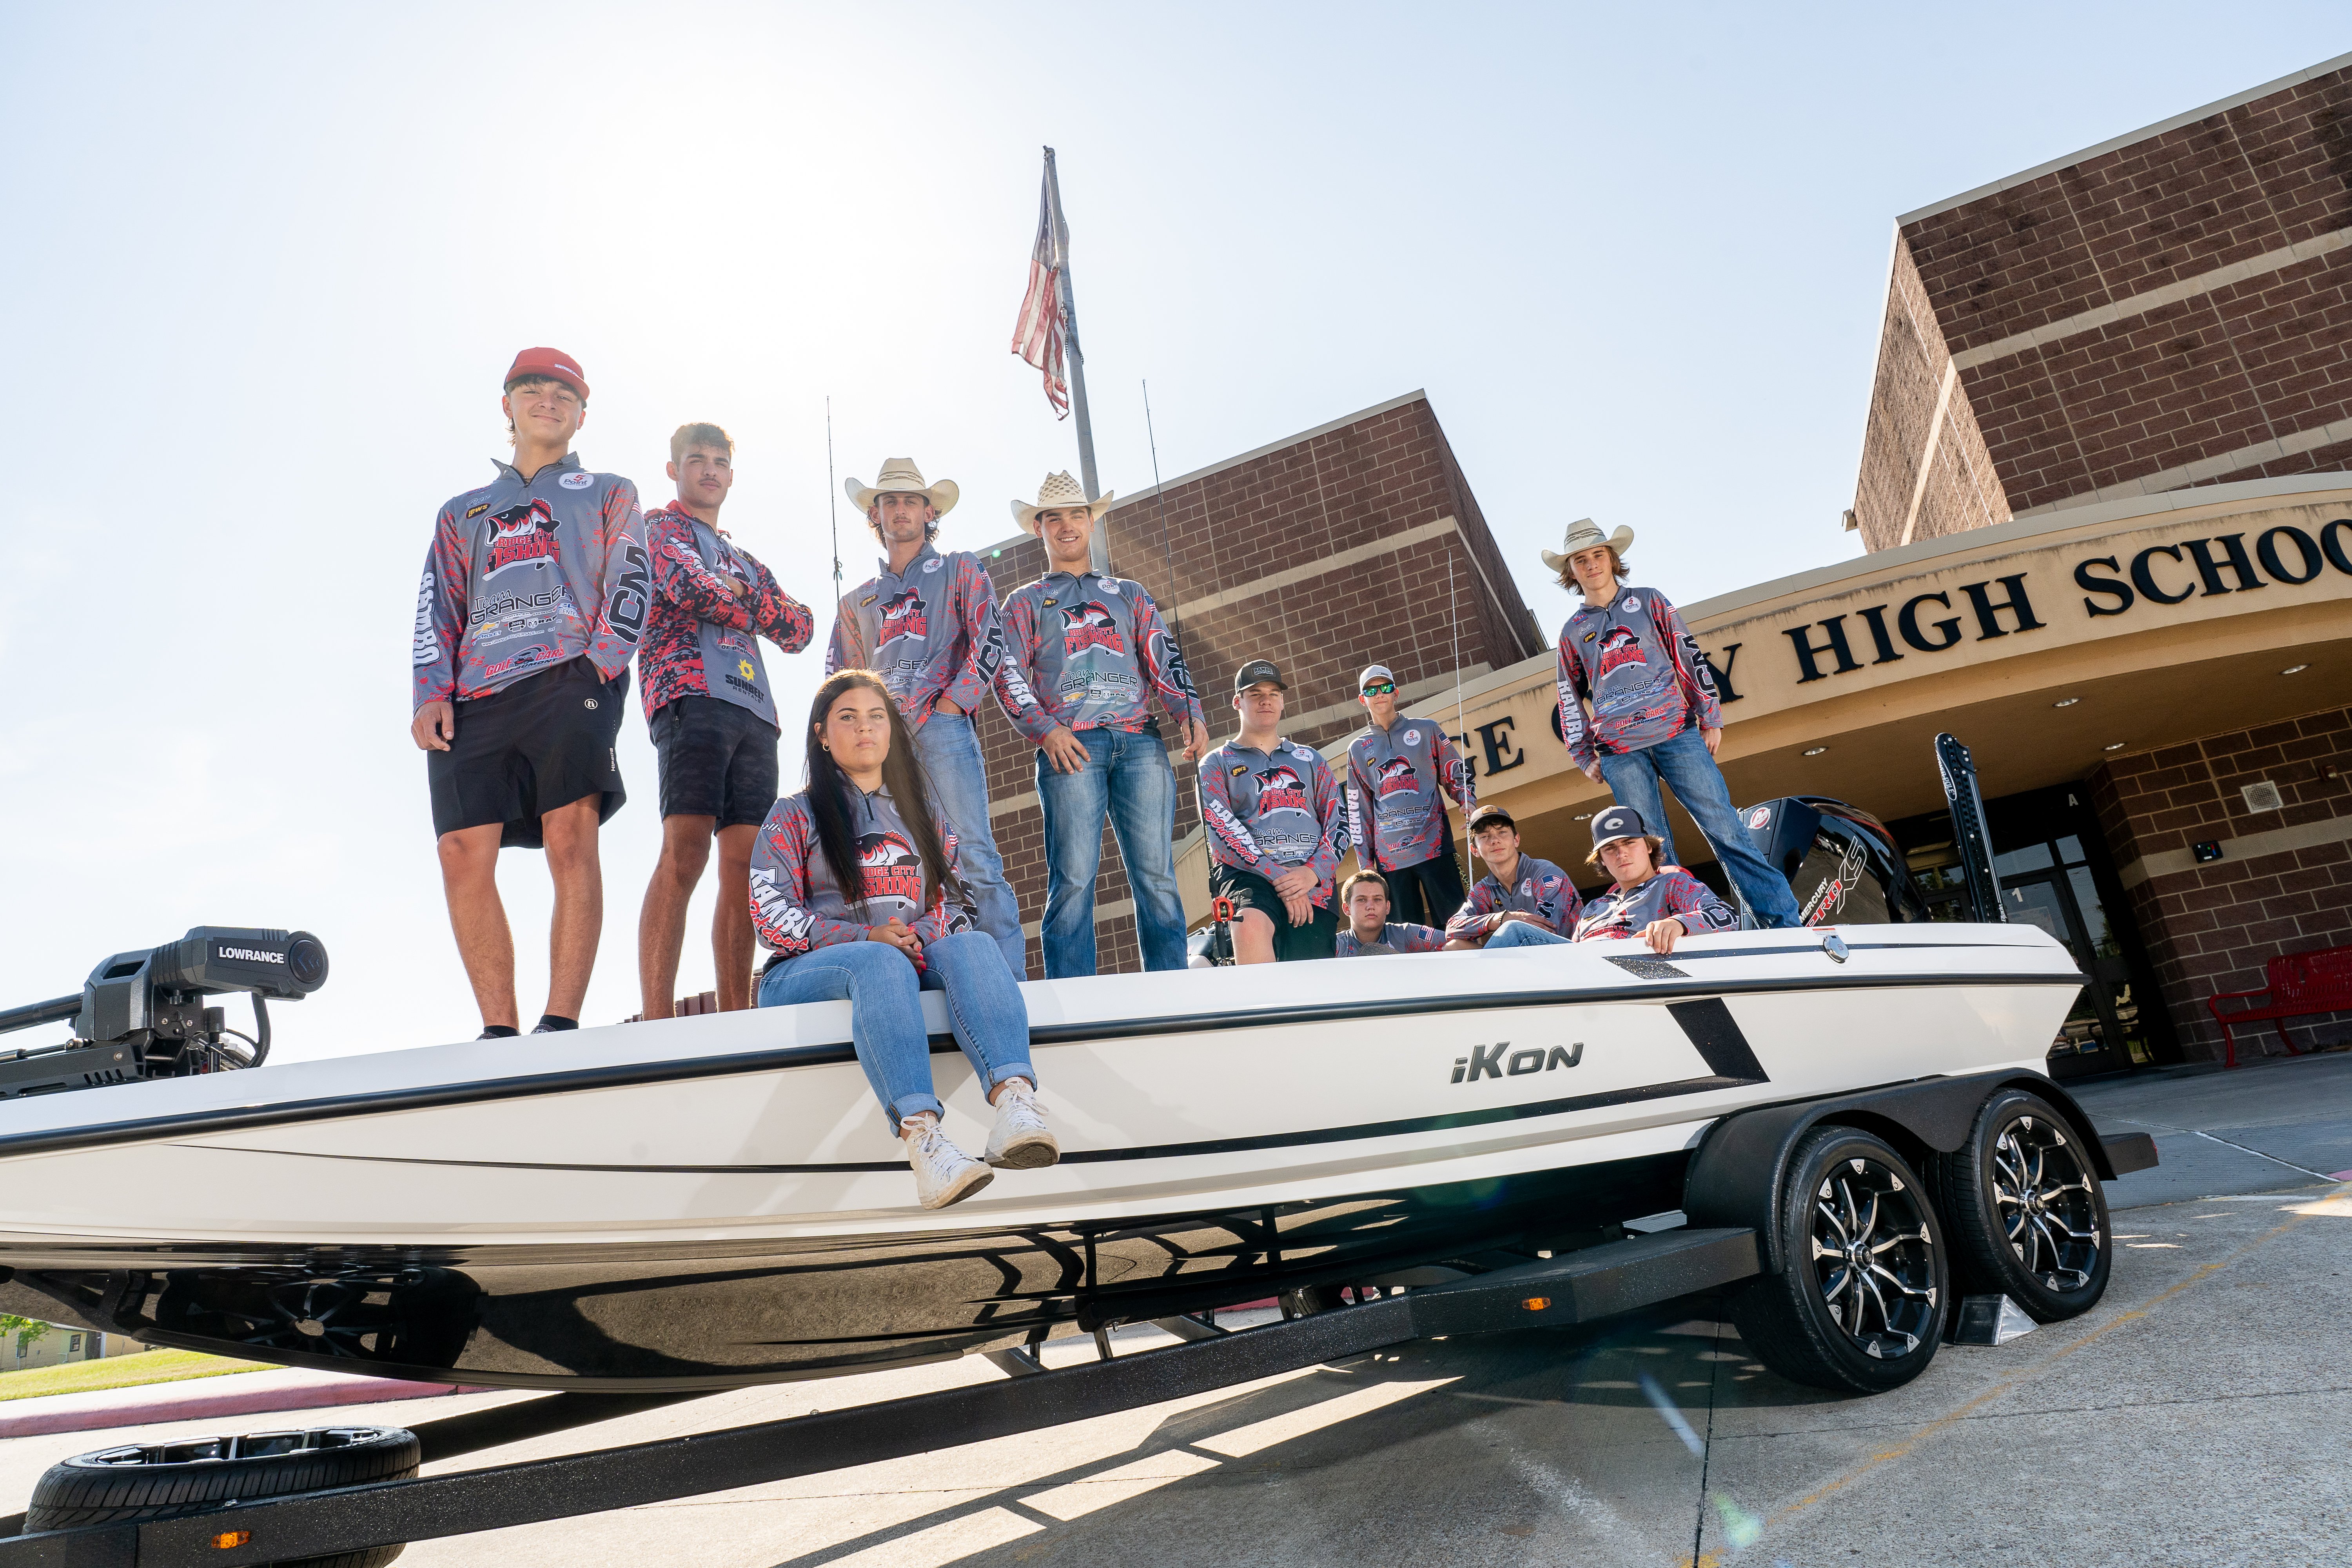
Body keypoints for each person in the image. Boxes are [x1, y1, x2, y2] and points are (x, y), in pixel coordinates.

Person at [750, 670, 1054, 1210]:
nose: (864, 728)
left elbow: (957, 903)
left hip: (905, 957)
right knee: (877, 962)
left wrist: (914, 936)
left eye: (876, 716)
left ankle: (1015, 1106)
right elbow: (770, 916)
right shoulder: (792, 815)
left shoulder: (925, 815)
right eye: (848, 717)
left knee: (976, 945)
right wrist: (868, 935)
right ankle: (926, 1144)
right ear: (822, 734)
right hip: (802, 974)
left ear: (891, 731)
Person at [411, 347, 649, 1038]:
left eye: (565, 392)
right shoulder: (462, 510)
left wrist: (601, 663)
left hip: (569, 677)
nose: (548, 399)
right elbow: (438, 604)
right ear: (508, 403)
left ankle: (560, 1020)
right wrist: (432, 691)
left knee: (569, 835)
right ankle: (498, 1031)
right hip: (476, 690)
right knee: (460, 851)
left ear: (581, 414)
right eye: (533, 388)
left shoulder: (609, 491)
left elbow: (632, 579)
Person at [828, 459, 1040, 978]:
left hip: (942, 729)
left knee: (974, 858)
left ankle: (1010, 985)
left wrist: (953, 704)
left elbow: (990, 637)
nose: (899, 511)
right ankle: (930, 980)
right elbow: (839, 677)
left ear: (929, 512)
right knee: (899, 865)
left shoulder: (960, 568)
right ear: (875, 515)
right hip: (879, 746)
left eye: (909, 501)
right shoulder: (857, 601)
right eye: (889, 502)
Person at [634, 423, 814, 1020]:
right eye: (696, 460)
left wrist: (741, 591)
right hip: (690, 696)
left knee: (743, 866)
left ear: (731, 476)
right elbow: (686, 585)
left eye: (719, 462)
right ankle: (658, 1017)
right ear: (674, 470)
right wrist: (751, 602)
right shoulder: (659, 529)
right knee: (685, 852)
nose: (708, 471)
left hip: (756, 712)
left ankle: (737, 1016)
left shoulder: (744, 558)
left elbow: (801, 629)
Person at [998, 472, 1210, 977]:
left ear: (1092, 521)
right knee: (1072, 882)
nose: (1067, 526)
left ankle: (1171, 994)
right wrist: (1045, 730)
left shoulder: (1129, 593)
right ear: (1038, 527)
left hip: (1140, 743)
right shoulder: (1024, 601)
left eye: (1076, 514)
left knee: (1157, 877)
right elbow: (1004, 671)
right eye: (1054, 517)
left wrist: (1190, 712)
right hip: (1072, 748)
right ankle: (1072, 1004)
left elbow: (1162, 653)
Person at [1545, 517, 1802, 929]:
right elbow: (1567, 696)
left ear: (1612, 559)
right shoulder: (1573, 631)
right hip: (1619, 753)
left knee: (1728, 831)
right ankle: (1684, 934)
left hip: (1677, 735)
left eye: (1598, 555)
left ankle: (1786, 927)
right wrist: (1583, 755)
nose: (1591, 564)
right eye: (1580, 560)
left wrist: (1709, 715)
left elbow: (1688, 654)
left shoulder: (1649, 601)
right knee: (1651, 854)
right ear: (1570, 571)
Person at [1198, 661, 1346, 963]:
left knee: (1312, 984)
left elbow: (1340, 824)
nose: (1266, 700)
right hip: (1249, 877)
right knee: (1249, 925)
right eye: (1255, 694)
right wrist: (1280, 877)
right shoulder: (1216, 763)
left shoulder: (1311, 760)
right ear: (1238, 702)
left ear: (1282, 701)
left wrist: (1310, 873)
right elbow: (1223, 832)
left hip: (1311, 882)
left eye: (1273, 693)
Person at [1343, 664, 1475, 930]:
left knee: (1457, 927)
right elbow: (1359, 811)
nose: (1380, 694)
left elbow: (1454, 770)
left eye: (1386, 688)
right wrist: (1367, 866)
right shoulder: (1358, 749)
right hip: (1391, 860)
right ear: (1362, 699)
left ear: (1396, 693)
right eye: (1372, 690)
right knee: (1404, 935)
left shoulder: (1427, 730)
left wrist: (1467, 800)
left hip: (1434, 847)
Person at [1572, 805, 1737, 953]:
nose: (1621, 853)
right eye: (1610, 848)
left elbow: (1726, 916)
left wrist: (1678, 924)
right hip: (1585, 975)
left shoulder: (1673, 884)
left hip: (1640, 973)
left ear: (1649, 846)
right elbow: (1568, 954)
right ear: (1601, 859)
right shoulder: (1592, 908)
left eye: (1629, 843)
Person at [1442, 804, 1582, 952]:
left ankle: (1492, 971)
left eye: (1502, 832)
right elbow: (1453, 928)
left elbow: (1545, 930)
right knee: (1455, 946)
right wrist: (1501, 919)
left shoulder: (1544, 872)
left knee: (1516, 929)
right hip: (1524, 961)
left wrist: (1510, 923)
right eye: (1485, 836)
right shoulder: (1483, 890)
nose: (1495, 840)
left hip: (1568, 955)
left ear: (1516, 839)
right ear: (1475, 850)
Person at [1333, 871, 1446, 956]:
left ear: (1387, 907)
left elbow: (1454, 943)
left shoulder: (1406, 934)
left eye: (1377, 899)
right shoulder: (1335, 945)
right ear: (1347, 908)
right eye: (1362, 900)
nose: (1371, 907)